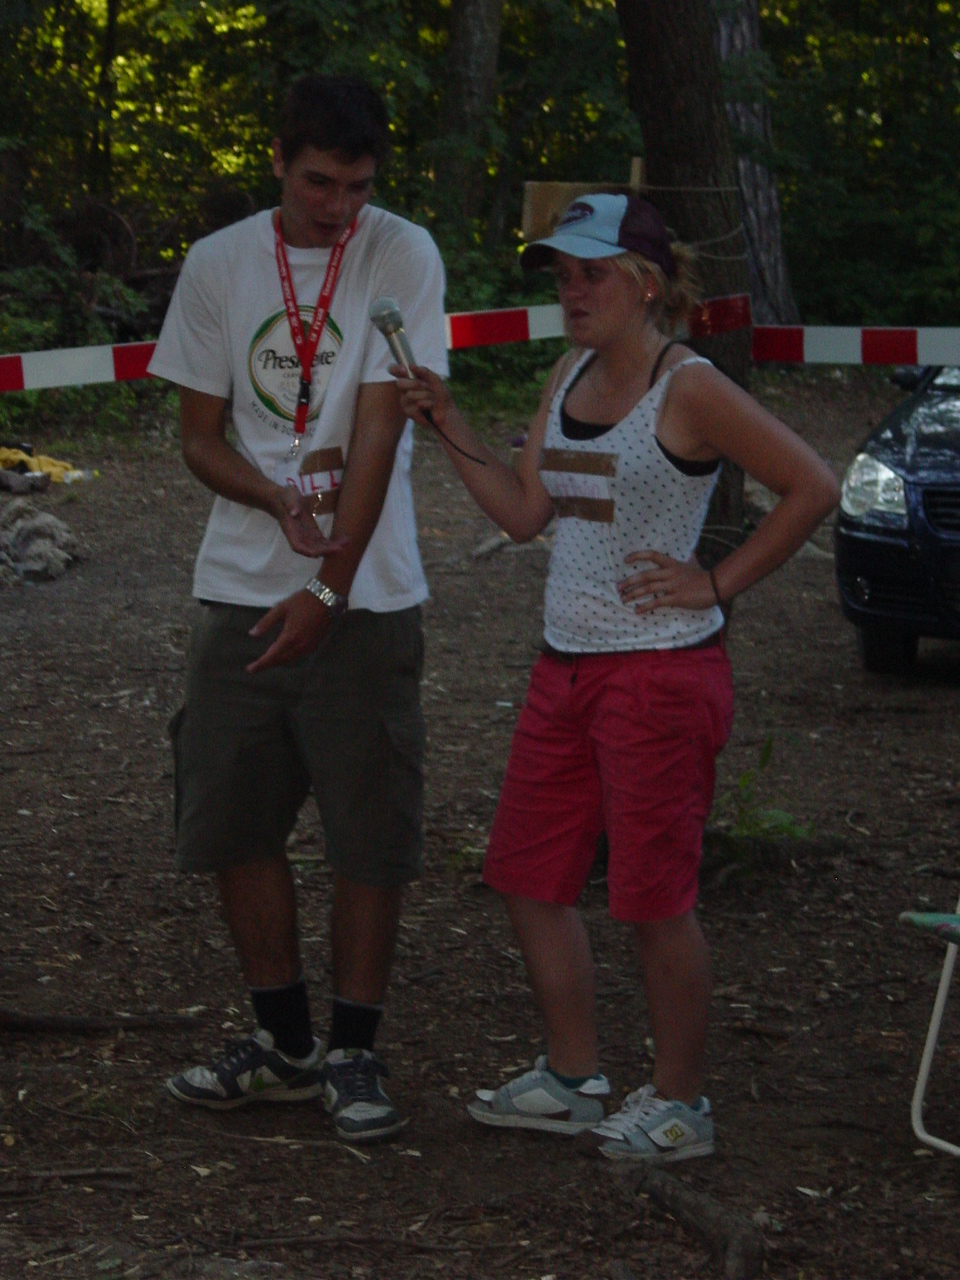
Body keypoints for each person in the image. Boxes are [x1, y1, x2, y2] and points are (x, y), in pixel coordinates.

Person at [392, 193, 840, 1161]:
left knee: (652, 897)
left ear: (645, 283)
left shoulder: (690, 387)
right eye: (562, 275)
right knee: (527, 874)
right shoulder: (568, 373)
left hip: (661, 677)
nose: (572, 291)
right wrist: (448, 418)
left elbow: (813, 485)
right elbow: (524, 514)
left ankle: (680, 1102)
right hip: (565, 666)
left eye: (591, 273)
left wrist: (713, 581)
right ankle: (572, 1077)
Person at [147, 74, 448, 1143]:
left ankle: (356, 1050)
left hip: (368, 596)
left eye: (357, 186)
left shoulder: (400, 252)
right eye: (319, 183)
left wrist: (328, 584)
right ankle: (284, 1043)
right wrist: (272, 498)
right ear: (277, 160)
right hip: (237, 588)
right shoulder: (218, 263)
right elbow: (199, 437)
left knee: (370, 830)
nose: (339, 208)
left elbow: (379, 430)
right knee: (234, 820)